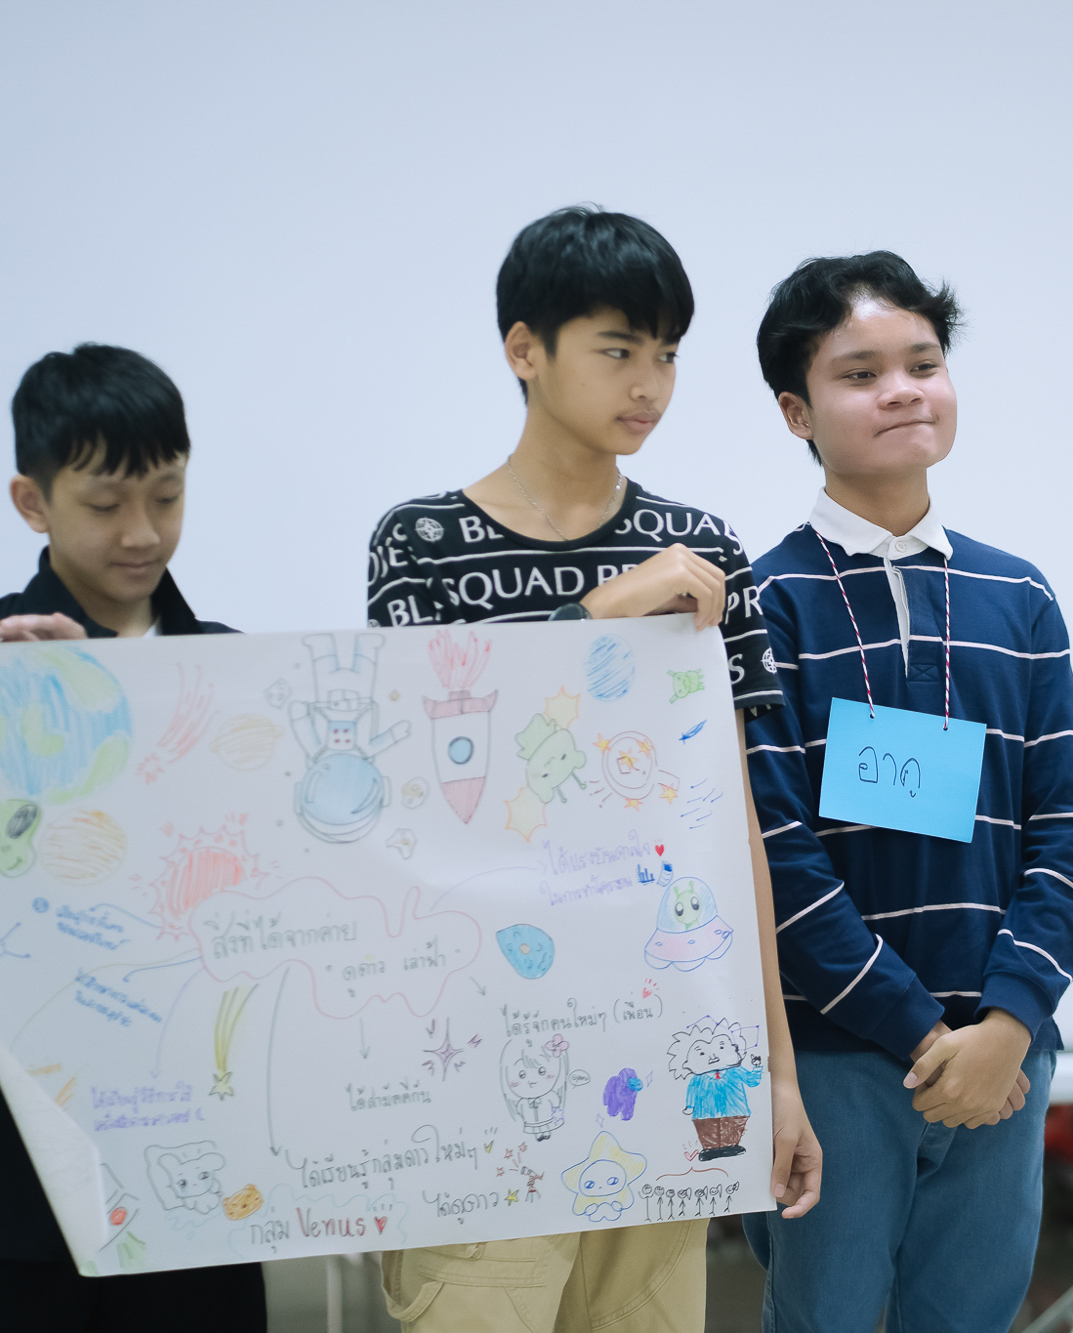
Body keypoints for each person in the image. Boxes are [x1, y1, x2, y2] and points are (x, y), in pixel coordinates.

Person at [366, 205, 822, 1332]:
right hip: (476, 1071)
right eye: (618, 349)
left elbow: (739, 831)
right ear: (525, 350)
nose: (649, 384)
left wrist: (775, 1072)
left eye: (667, 354)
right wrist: (604, 614)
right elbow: (424, 798)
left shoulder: (704, 552)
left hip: (660, 1053)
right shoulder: (421, 545)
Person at [0, 344, 263, 1331]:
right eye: (106, 503)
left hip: (196, 1164)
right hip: (0, 1173)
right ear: (33, 501)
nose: (143, 532)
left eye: (168, 495)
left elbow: (255, 900)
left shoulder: (229, 674)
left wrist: (112, 698)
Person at [740, 252, 1073, 1332]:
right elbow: (775, 856)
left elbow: (1066, 833)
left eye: (923, 363)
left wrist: (1009, 1020)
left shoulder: (1017, 594)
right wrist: (915, 1029)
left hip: (1001, 1057)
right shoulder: (762, 601)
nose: (902, 390)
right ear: (796, 411)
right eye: (860, 374)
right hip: (835, 1057)